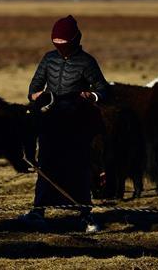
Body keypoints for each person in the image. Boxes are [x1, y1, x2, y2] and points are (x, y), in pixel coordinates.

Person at [20, 15, 108, 233]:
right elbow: (34, 87)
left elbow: (104, 89)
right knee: (46, 165)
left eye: (63, 42)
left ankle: (85, 215)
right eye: (56, 42)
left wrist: (91, 96)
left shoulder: (87, 62)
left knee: (79, 167)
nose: (59, 46)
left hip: (77, 124)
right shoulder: (48, 59)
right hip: (50, 122)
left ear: (75, 40)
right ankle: (38, 211)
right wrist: (35, 95)